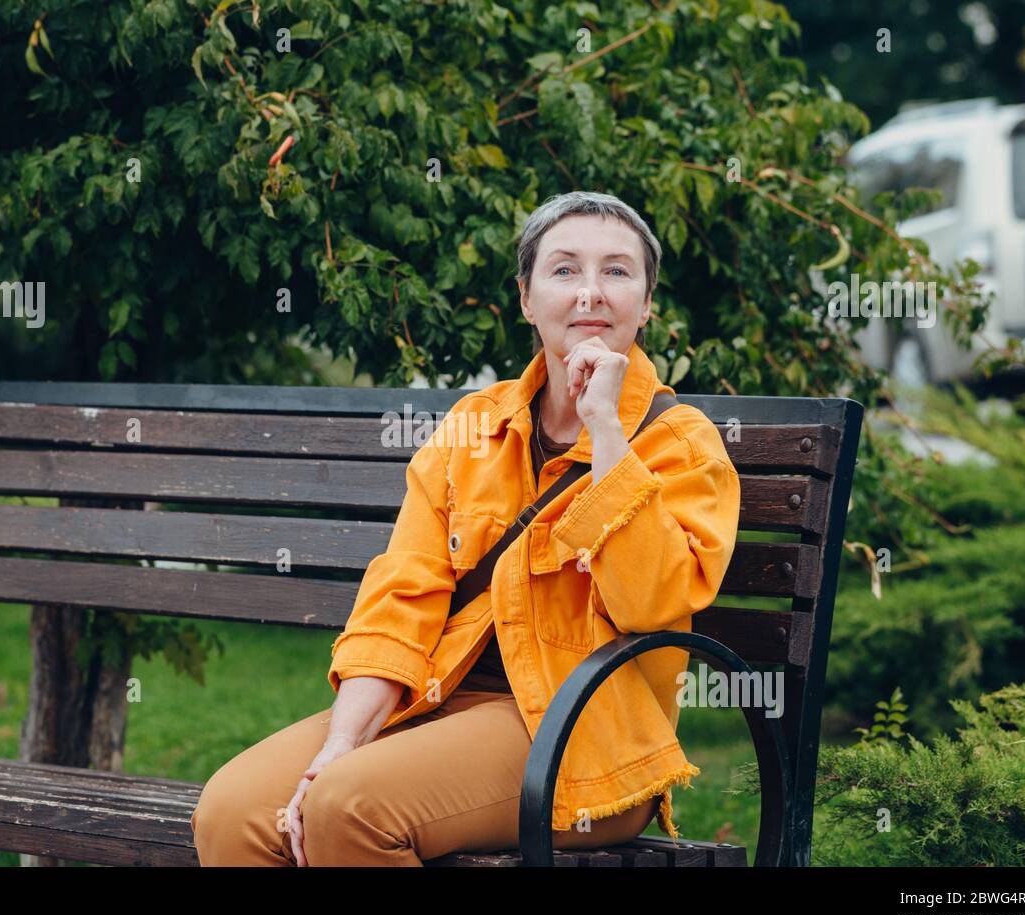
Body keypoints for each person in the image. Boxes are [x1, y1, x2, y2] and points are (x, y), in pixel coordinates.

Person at [190, 191, 742, 866]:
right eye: (564, 270)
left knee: (348, 809)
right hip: (439, 700)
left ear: (647, 303)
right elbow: (403, 593)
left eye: (617, 272)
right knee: (233, 814)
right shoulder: (474, 426)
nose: (591, 293)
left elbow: (653, 602)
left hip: (580, 735)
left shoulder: (682, 443)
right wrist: (343, 740)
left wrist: (606, 432)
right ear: (526, 298)